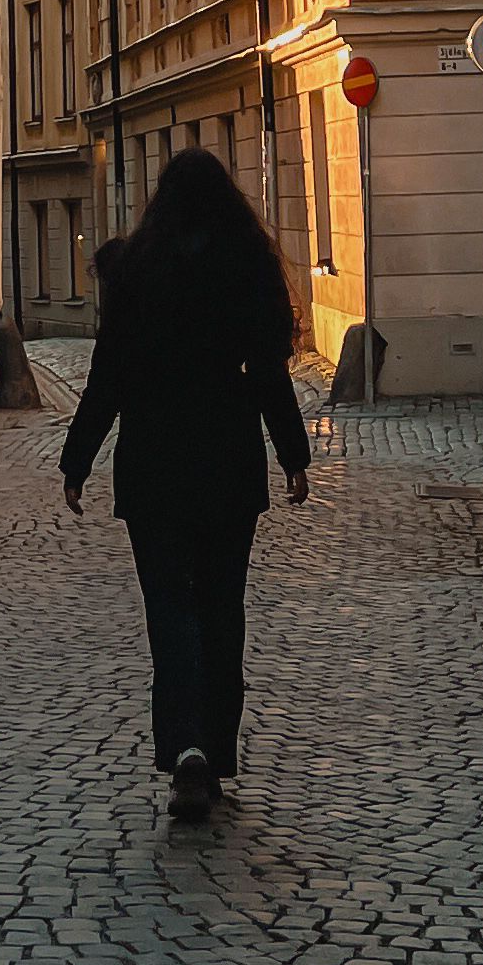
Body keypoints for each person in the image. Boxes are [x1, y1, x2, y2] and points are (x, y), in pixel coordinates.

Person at [60, 150, 311, 824]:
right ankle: (217, 749)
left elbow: (107, 374)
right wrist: (294, 454)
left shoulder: (136, 269)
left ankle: (186, 746)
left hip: (154, 461)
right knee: (223, 607)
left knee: (169, 608)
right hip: (227, 459)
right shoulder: (246, 265)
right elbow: (267, 371)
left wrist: (76, 461)